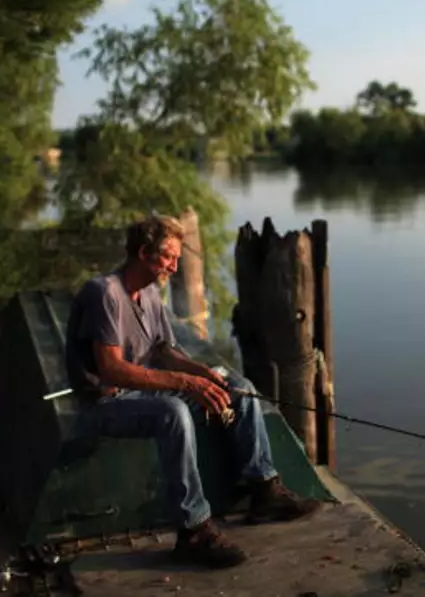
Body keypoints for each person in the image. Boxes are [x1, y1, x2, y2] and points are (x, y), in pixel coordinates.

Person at [64, 215, 321, 568]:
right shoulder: (104, 292)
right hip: (106, 402)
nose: (175, 264)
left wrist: (206, 376)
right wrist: (185, 384)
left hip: (141, 392)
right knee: (173, 412)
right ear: (143, 253)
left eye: (176, 257)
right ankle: (194, 530)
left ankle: (264, 489)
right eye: (168, 256)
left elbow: (162, 351)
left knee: (238, 388)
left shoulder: (151, 293)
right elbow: (111, 369)